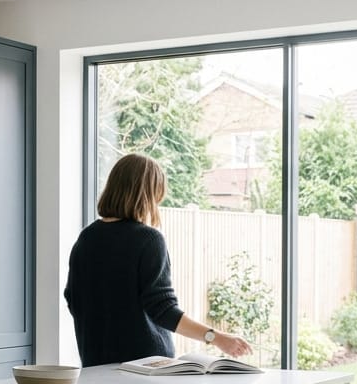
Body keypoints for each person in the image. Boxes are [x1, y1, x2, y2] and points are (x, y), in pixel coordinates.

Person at [64, 153, 252, 367]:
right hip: (146, 368)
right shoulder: (147, 239)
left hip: (95, 365)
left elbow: (73, 299)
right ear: (146, 195)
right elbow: (163, 310)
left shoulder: (87, 237)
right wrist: (217, 337)